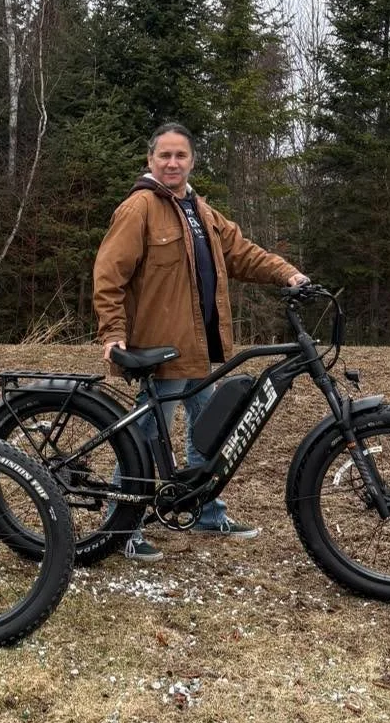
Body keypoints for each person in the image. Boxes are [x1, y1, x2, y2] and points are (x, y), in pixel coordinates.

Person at [93, 122, 308, 561]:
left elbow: (242, 252)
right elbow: (108, 274)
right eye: (164, 156)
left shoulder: (199, 210)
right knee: (146, 437)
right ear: (150, 160)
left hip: (199, 349)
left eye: (181, 156)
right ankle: (121, 527)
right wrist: (113, 333)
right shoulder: (139, 208)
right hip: (160, 350)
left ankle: (206, 512)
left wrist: (289, 273)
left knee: (207, 434)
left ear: (192, 161)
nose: (172, 163)